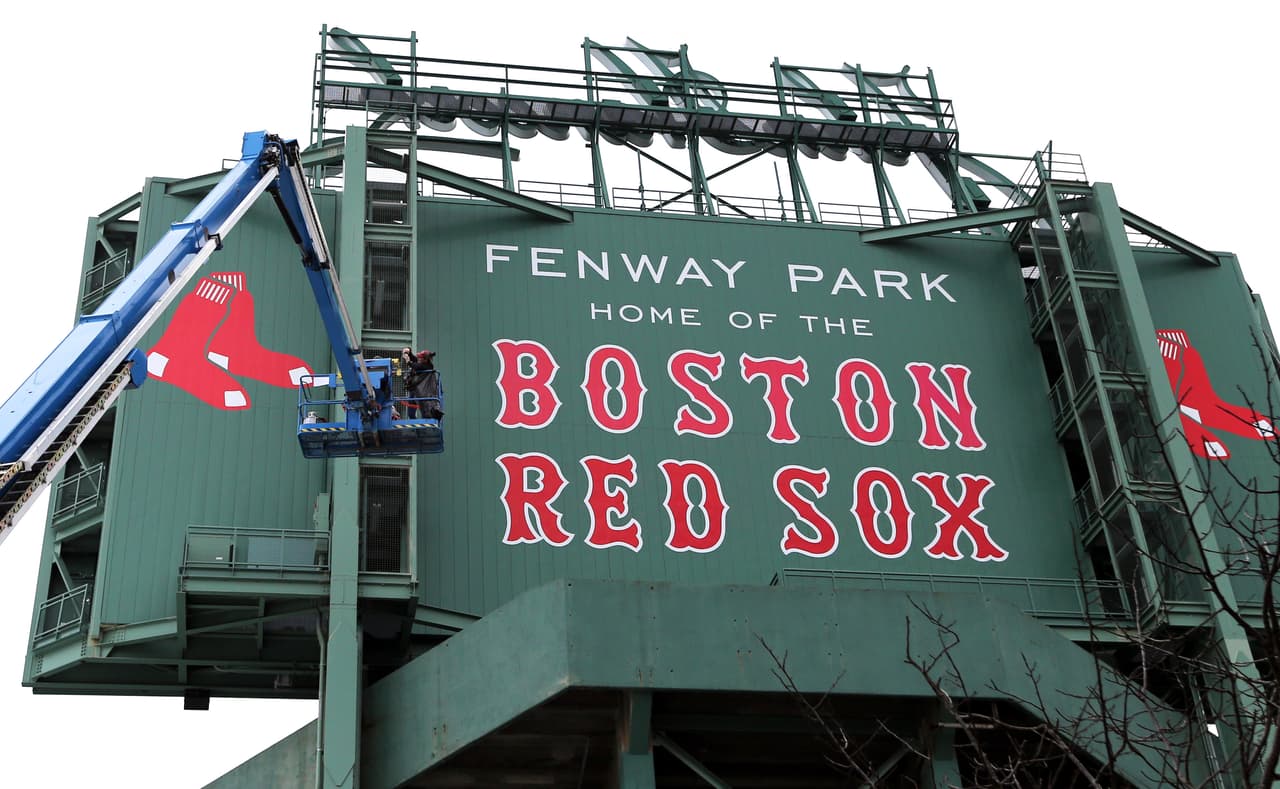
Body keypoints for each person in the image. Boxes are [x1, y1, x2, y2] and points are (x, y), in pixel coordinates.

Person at [404, 348, 443, 420]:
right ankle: (415, 427)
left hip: (422, 392)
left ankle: (423, 427)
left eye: (420, 358)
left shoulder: (428, 366)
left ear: (425, 360)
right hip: (415, 390)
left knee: (425, 412)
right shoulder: (422, 363)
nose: (419, 359)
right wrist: (409, 353)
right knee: (411, 412)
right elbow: (415, 360)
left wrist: (408, 362)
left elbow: (416, 366)